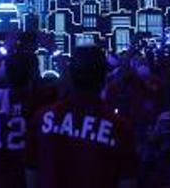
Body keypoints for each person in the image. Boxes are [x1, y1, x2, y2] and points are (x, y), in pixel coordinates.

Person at [26, 45, 139, 188]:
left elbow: (31, 176)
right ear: (103, 76)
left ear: (71, 76)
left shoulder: (41, 119)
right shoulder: (120, 128)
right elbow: (127, 183)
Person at [0, 50, 41, 188]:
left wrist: (1, 54)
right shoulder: (39, 99)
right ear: (33, 73)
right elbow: (64, 85)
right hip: (25, 176)